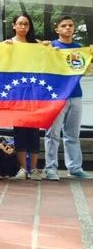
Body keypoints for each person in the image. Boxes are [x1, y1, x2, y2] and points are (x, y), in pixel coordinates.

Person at [44, 16, 93, 180]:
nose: (68, 28)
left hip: (76, 95)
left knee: (72, 134)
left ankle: (75, 168)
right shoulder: (50, 47)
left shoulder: (79, 48)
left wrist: (91, 56)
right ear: (57, 29)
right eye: (64, 26)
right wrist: (44, 50)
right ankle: (50, 168)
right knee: (53, 134)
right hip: (56, 96)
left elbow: (87, 71)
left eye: (71, 25)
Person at [7, 12, 44, 180]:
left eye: (26, 24)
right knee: (20, 130)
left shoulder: (36, 45)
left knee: (34, 131)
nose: (23, 27)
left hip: (34, 93)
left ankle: (34, 169)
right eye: (20, 23)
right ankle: (23, 168)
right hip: (16, 93)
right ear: (14, 25)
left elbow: (49, 59)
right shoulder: (8, 44)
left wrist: (50, 48)